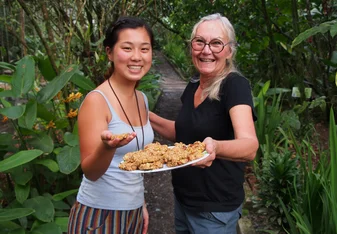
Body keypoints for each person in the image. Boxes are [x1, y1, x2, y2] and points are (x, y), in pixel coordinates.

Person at [149, 13, 259, 234]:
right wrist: (144, 115)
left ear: (229, 51)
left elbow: (249, 146)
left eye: (216, 43)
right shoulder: (193, 85)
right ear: (191, 47)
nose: (206, 50)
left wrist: (216, 147)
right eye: (199, 42)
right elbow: (183, 132)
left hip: (214, 212)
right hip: (182, 201)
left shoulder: (235, 85)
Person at [68, 16, 154, 234]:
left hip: (132, 212)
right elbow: (91, 172)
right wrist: (107, 147)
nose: (137, 57)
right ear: (109, 52)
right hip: (99, 214)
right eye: (127, 48)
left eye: (144, 49)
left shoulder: (142, 98)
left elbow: (133, 164)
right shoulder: (97, 101)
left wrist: (140, 203)